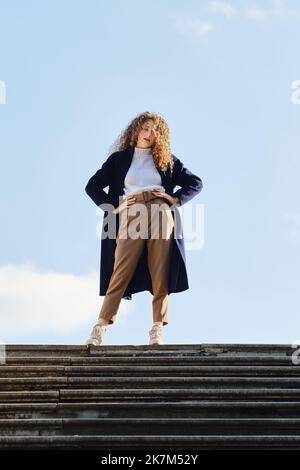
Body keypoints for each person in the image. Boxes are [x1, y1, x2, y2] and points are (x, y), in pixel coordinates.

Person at [85, 111, 203, 346]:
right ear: (136, 129)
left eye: (154, 131)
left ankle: (157, 328)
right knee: (121, 268)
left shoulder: (166, 160)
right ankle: (100, 326)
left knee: (160, 270)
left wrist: (174, 199)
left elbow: (195, 182)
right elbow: (92, 186)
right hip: (132, 212)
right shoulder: (118, 160)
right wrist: (114, 207)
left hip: (160, 211)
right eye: (145, 129)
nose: (149, 135)